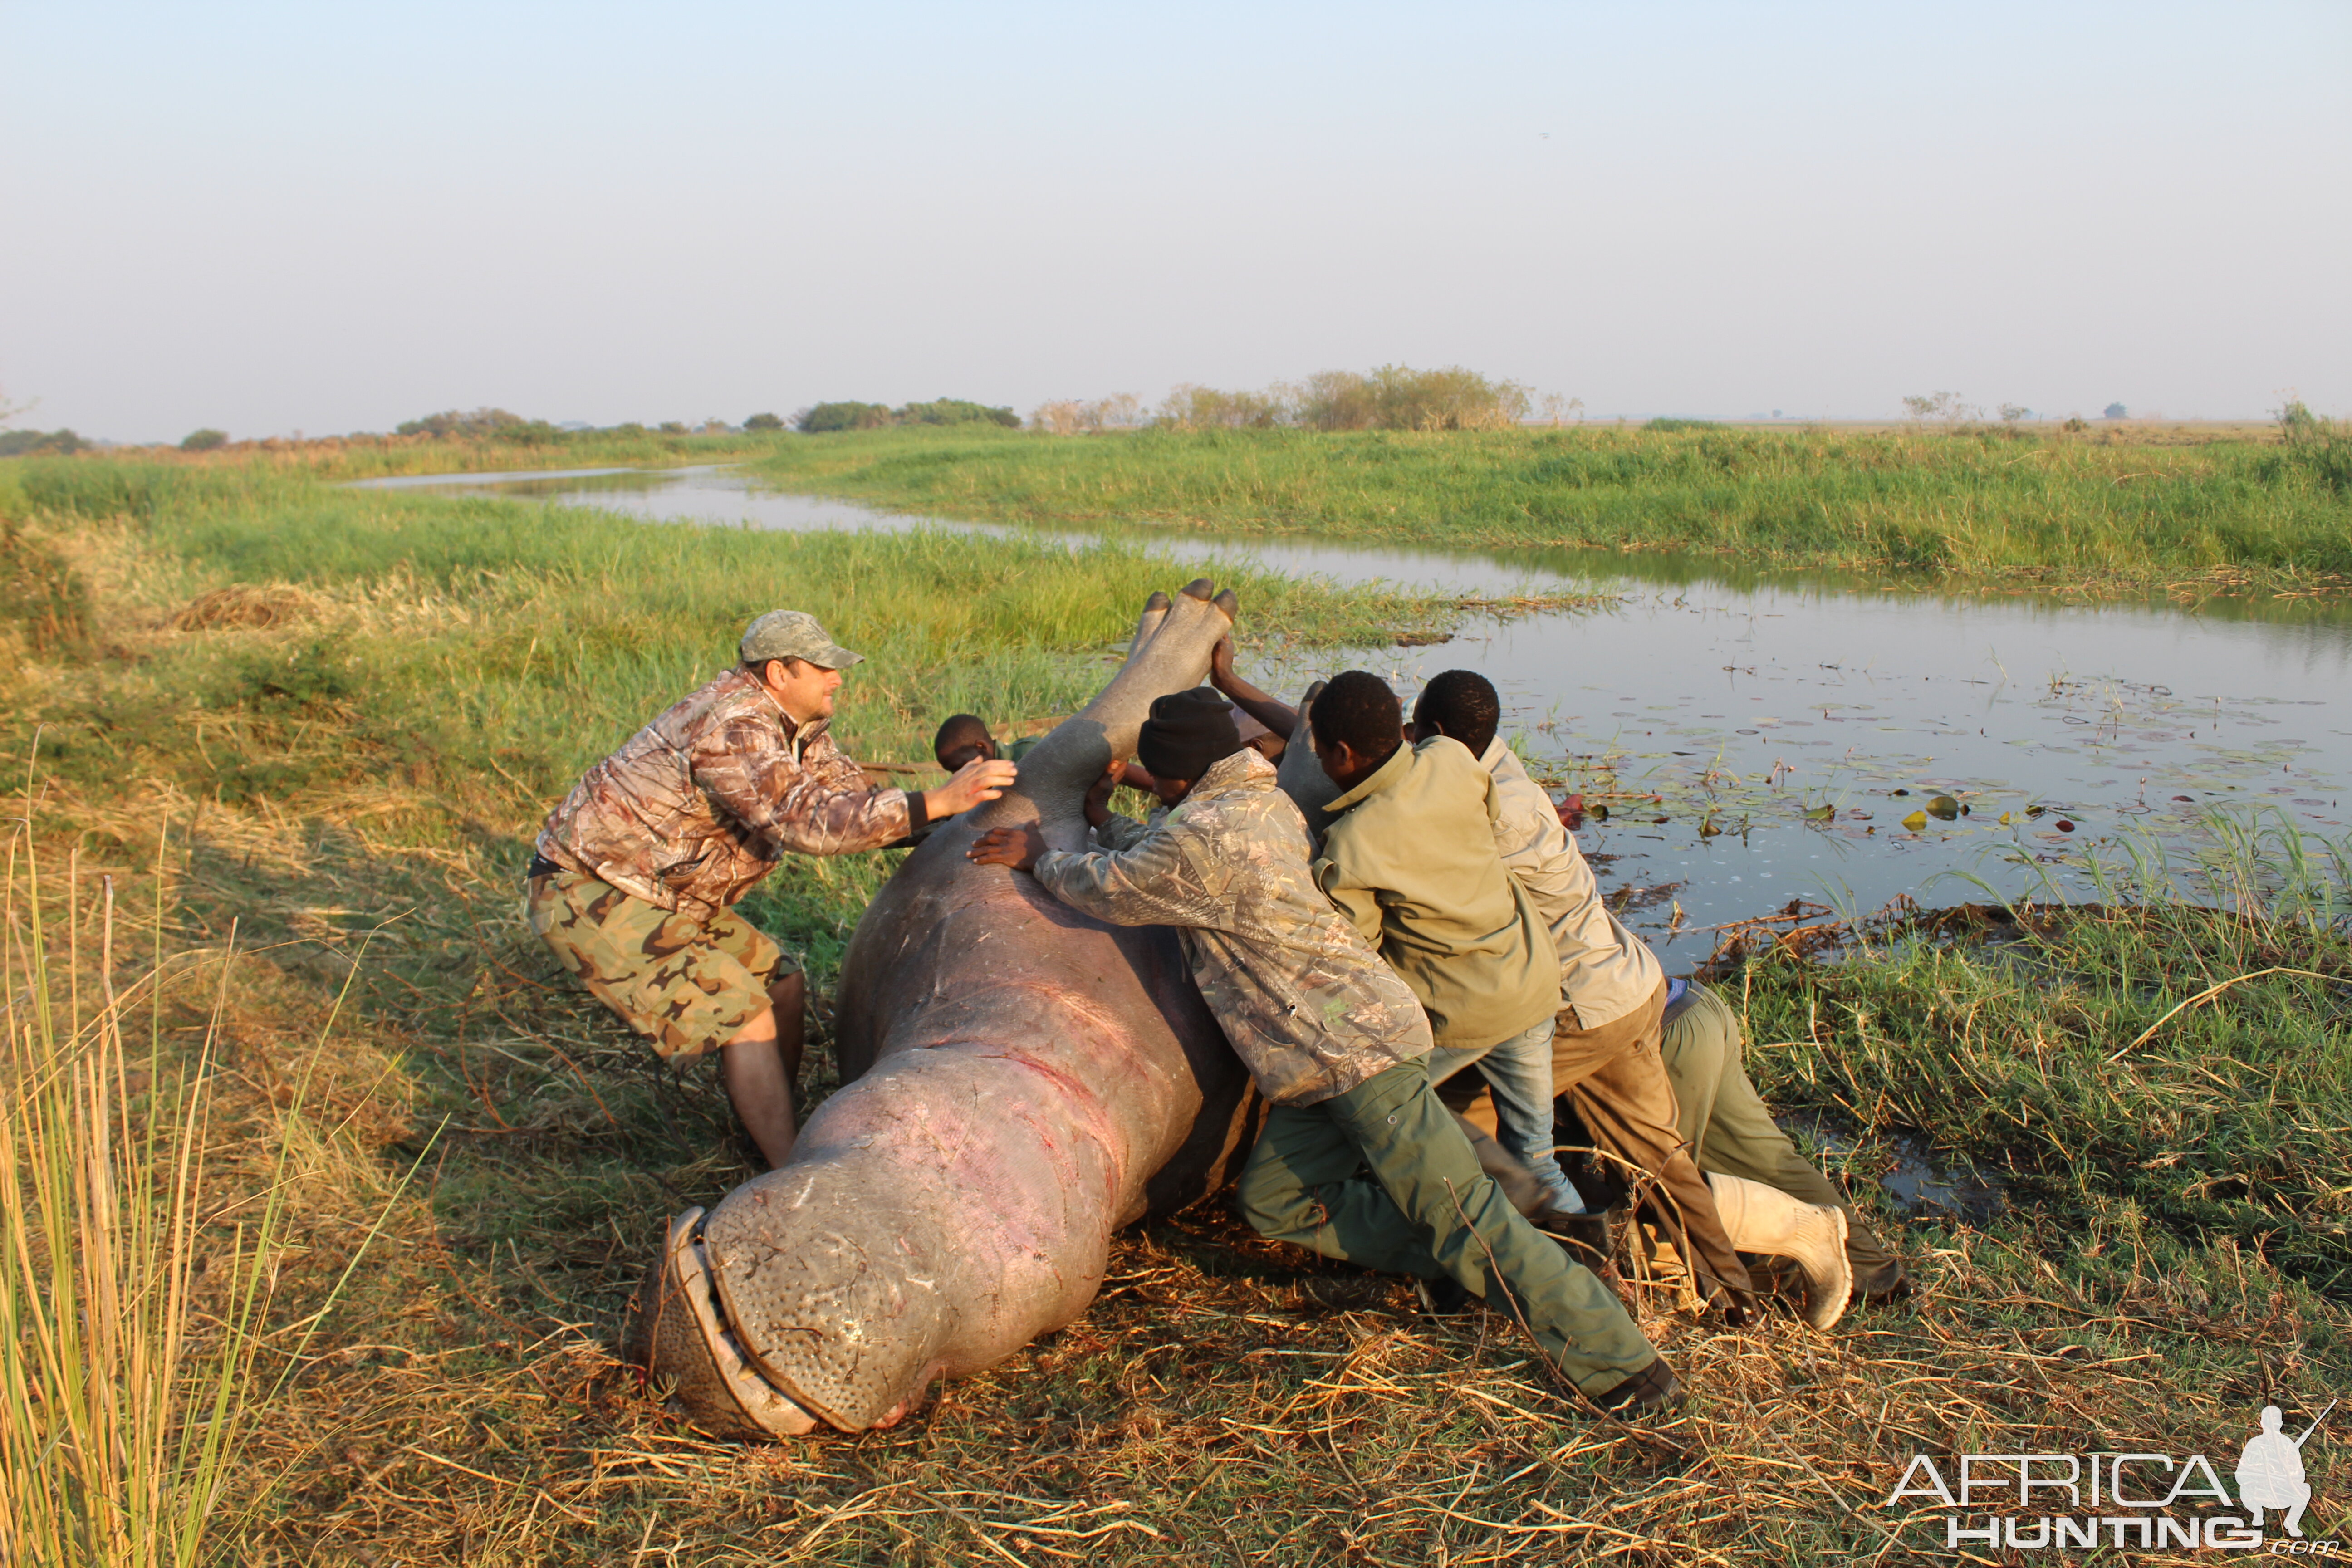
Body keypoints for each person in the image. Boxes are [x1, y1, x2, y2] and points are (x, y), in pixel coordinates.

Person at [965, 688, 1676, 1413]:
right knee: (1276, 1200)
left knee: (1468, 1221)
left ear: (1178, 777)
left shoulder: (1205, 837)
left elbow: (1117, 888)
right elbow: (1168, 855)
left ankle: (1619, 1362)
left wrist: (1042, 857)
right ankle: (1459, 1267)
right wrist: (1107, 823)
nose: (1164, 791)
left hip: (1355, 1054)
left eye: (1163, 780)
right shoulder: (1255, 802)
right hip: (1324, 1055)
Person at [1411, 669, 1868, 1324]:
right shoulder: (1498, 764)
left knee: (1451, 1126)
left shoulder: (1479, 815)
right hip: (1629, 986)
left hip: (1573, 1008)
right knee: (1659, 1163)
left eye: (1418, 730)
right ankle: (1738, 1298)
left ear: (1437, 736)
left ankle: (1566, 1289)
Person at [528, 611, 1017, 1167]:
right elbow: (806, 822)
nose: (838, 679)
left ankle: (767, 1120)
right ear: (779, 673)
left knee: (783, 985)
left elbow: (851, 804)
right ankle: (792, 1172)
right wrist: (941, 800)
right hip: (595, 892)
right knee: (745, 1015)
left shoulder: (800, 728)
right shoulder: (733, 725)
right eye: (824, 669)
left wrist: (964, 816)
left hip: (669, 892)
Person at [1304, 671, 1592, 1224]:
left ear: (1341, 754)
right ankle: (1590, 1257)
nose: (1318, 764)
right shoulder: (1453, 760)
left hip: (1461, 1014)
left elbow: (1364, 954)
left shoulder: (1350, 842)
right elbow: (1486, 818)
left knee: (1380, 1110)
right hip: (1531, 985)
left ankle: (1440, 1226)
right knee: (1537, 1156)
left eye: (1319, 753)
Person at [2236, 1405, 2316, 1537]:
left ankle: (2291, 1522)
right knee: (2244, 1489)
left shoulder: (2288, 1444)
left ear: (2281, 1424)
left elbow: (2300, 1475)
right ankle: (2257, 1514)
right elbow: (2240, 1475)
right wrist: (2257, 1475)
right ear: (2262, 1424)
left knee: (2305, 1489)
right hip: (2259, 1492)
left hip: (2283, 1493)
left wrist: (2286, 1476)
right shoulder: (2254, 1444)